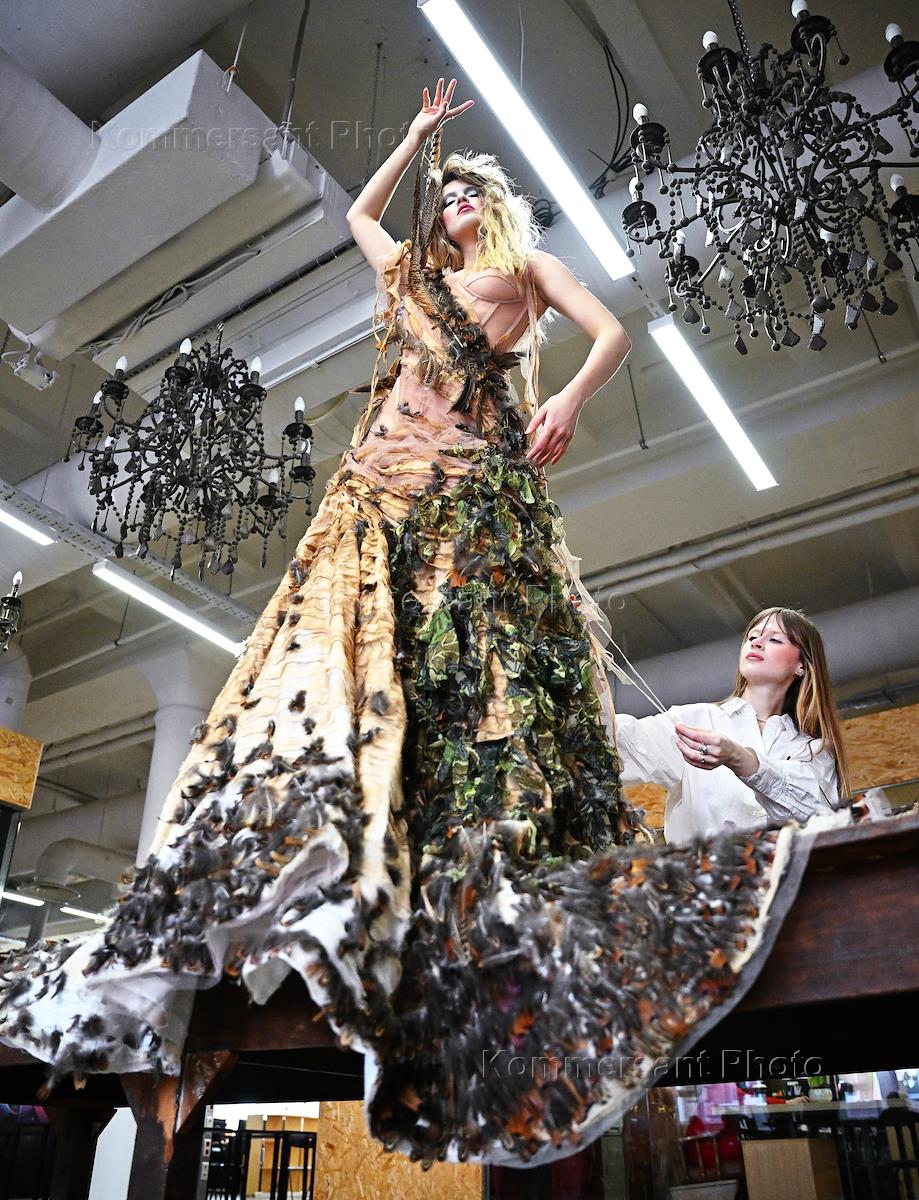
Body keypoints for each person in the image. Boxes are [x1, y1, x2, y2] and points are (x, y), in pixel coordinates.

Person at [0, 79, 815, 1170]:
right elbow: (357, 216)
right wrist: (417, 135)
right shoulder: (415, 276)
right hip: (373, 481)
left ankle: (454, 862)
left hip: (464, 483)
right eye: (450, 193)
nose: (457, 201)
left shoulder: (526, 268)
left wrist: (566, 397)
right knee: (329, 663)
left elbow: (614, 328)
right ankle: (330, 839)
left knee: (467, 664)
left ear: (497, 207)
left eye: (472, 190)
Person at [614, 607, 852, 843]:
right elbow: (617, 747)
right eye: (752, 636)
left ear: (802, 665)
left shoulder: (813, 751)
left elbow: (819, 819)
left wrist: (740, 758)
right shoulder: (693, 720)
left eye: (775, 639)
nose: (756, 643)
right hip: (704, 869)